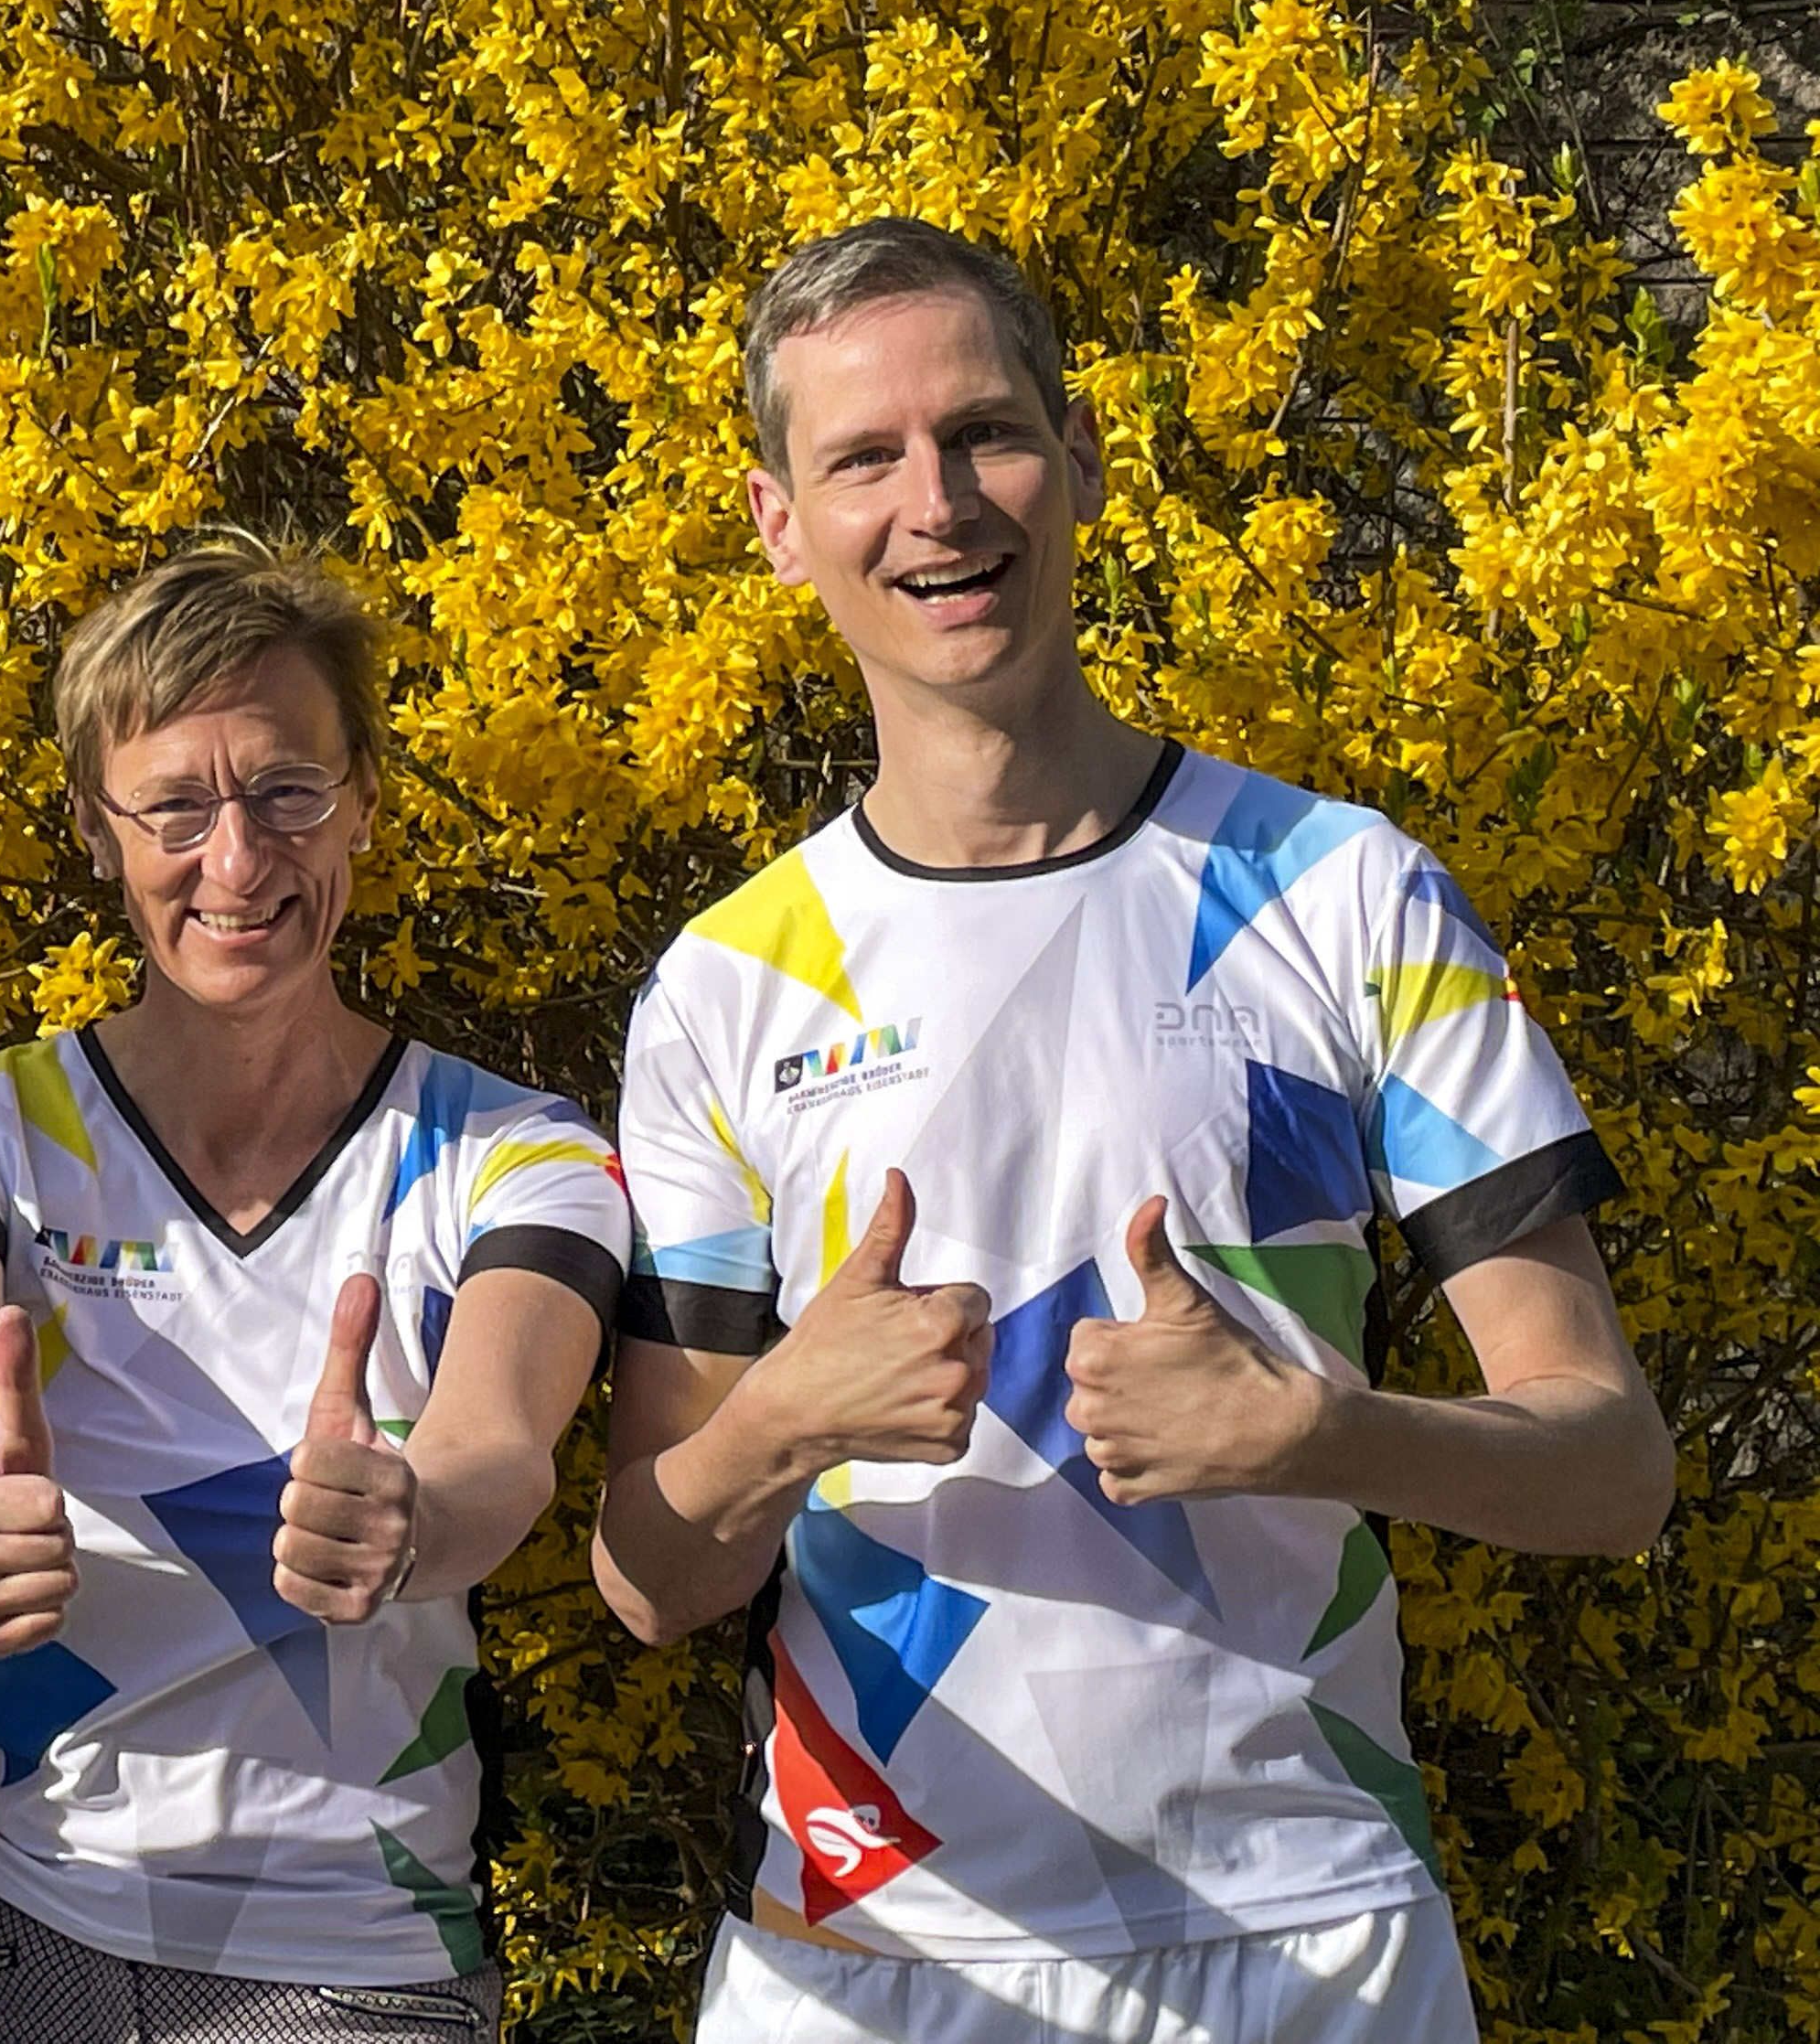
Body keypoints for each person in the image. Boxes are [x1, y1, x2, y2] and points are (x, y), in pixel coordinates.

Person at [596, 219, 1676, 2041]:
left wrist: (1325, 1434)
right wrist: (784, 1417)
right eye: (864, 459)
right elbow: (649, 1575)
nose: (937, 504)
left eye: (984, 433)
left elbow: (1615, 1467)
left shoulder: (1345, 893)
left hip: (1310, 1944)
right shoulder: (725, 987)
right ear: (781, 526)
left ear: (1082, 459)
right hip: (869, 1957)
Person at [0, 539, 623, 2042]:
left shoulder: (518, 1154)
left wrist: (411, 1520)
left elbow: (500, 1442)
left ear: (366, 800)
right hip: (8, 1923)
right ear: (96, 830)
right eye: (175, 808)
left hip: (360, 1954)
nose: (237, 861)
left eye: (287, 793)